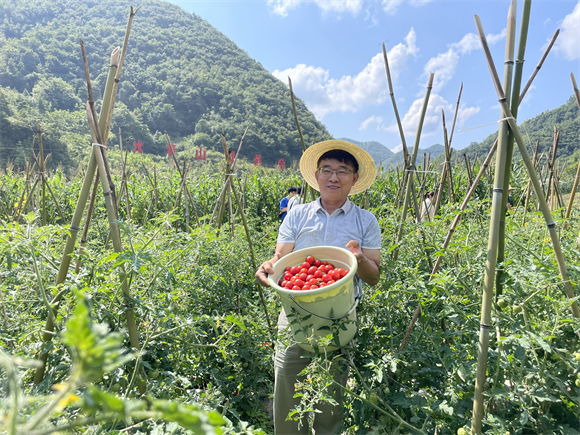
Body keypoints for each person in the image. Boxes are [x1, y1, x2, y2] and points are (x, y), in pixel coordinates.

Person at [256, 140, 381, 435]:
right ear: (317, 175)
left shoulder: (366, 221)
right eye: (327, 170)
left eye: (342, 171)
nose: (333, 177)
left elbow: (374, 276)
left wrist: (359, 258)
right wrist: (268, 266)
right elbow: (281, 259)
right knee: (287, 384)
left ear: (354, 178)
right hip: (295, 312)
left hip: (339, 316)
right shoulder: (297, 216)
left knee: (331, 393)